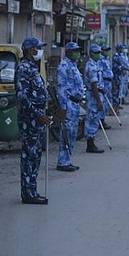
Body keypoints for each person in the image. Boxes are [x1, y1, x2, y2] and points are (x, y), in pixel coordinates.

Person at [15, 37, 52, 205]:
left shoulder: (32, 67)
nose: (39, 51)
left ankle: (32, 190)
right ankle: (28, 193)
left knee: (35, 155)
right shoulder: (23, 68)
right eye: (38, 48)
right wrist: (38, 114)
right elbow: (22, 96)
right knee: (29, 156)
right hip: (30, 120)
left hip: (37, 119)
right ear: (31, 50)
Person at [56, 42, 85, 172]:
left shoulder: (73, 65)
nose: (77, 53)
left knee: (72, 133)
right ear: (68, 52)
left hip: (75, 103)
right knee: (66, 133)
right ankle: (63, 161)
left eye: (78, 51)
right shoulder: (63, 66)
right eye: (75, 51)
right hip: (68, 103)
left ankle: (67, 159)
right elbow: (61, 88)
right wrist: (62, 107)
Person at [84, 44, 106, 154]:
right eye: (97, 53)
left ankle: (92, 143)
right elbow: (93, 85)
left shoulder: (95, 64)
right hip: (93, 96)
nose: (99, 54)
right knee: (92, 119)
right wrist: (98, 100)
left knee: (95, 119)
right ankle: (90, 144)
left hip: (97, 94)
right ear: (91, 54)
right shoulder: (91, 66)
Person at [99, 46, 114, 118]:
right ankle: (101, 119)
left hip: (108, 82)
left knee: (107, 100)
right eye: (105, 50)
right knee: (104, 101)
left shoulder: (106, 60)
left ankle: (104, 117)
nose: (107, 52)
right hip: (104, 82)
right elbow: (100, 73)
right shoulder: (100, 60)